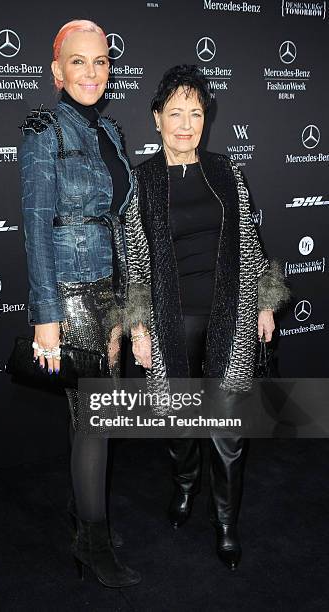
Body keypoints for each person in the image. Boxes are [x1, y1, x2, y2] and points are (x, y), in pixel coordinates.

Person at [125, 64, 289, 570]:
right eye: (175, 112)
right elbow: (134, 258)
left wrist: (264, 299)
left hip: (229, 316)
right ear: (156, 118)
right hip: (171, 321)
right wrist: (138, 324)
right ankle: (185, 486)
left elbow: (250, 243)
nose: (185, 123)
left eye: (195, 113)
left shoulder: (226, 172)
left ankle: (225, 522)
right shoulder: (143, 180)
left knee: (228, 431)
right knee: (178, 425)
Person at [18, 20, 141, 587]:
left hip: (112, 293)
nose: (93, 72)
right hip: (69, 296)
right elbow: (36, 228)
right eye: (79, 62)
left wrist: (132, 305)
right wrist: (46, 317)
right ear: (57, 70)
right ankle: (92, 542)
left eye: (101, 62)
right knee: (94, 422)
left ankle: (82, 516)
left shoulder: (112, 133)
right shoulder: (45, 132)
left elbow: (124, 224)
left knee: (90, 420)